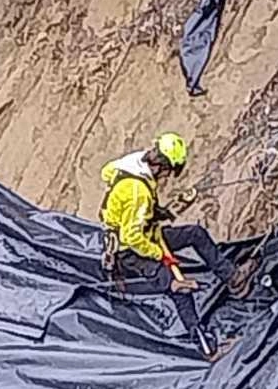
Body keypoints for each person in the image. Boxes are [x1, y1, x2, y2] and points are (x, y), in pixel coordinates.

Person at [98, 132, 255, 359]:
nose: (169, 178)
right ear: (162, 166)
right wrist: (158, 253)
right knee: (179, 288)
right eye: (170, 172)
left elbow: (108, 174)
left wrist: (167, 211)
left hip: (146, 232)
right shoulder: (137, 192)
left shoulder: (136, 162)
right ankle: (207, 347)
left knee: (195, 234)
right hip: (131, 251)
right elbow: (131, 236)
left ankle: (233, 279)